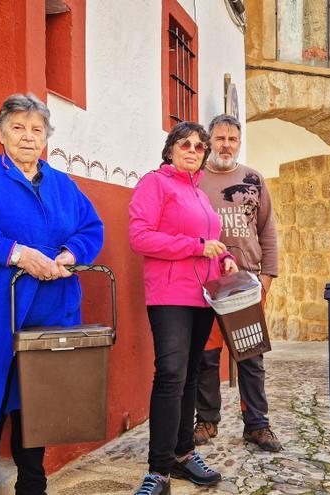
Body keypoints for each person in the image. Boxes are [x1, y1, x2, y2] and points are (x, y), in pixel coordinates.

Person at [0, 93, 103, 495]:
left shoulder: (63, 184)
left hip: (47, 311)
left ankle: (33, 487)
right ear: (1, 133)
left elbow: (91, 228)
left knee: (35, 405)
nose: (28, 137)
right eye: (18, 127)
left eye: (37, 129)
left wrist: (69, 254)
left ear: (47, 138)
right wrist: (19, 254)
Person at [129, 121, 239, 495]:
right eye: (185, 144)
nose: (193, 150)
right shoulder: (154, 184)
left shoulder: (200, 193)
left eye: (199, 146)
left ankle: (183, 453)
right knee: (171, 375)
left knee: (191, 374)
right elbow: (140, 236)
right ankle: (158, 470)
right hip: (168, 296)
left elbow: (209, 241)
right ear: (171, 149)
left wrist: (221, 259)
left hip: (201, 296)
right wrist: (196, 246)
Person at [192, 114, 282, 453]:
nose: (225, 144)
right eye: (219, 138)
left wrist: (268, 277)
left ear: (239, 143)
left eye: (232, 139)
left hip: (246, 281)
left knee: (251, 356)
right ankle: (207, 420)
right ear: (208, 142)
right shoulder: (195, 180)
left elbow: (268, 230)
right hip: (205, 281)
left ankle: (257, 425)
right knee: (206, 356)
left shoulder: (253, 179)